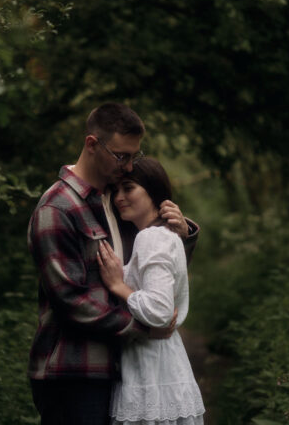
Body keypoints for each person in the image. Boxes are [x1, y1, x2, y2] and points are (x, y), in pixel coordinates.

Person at [27, 103, 199, 425]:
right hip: (73, 373)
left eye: (134, 155)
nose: (129, 165)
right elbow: (72, 301)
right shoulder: (57, 209)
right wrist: (145, 328)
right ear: (92, 145)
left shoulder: (116, 203)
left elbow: (154, 275)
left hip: (118, 369)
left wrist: (181, 234)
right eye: (122, 156)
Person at [96, 157, 206, 425]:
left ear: (154, 191)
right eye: (116, 190)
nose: (119, 197)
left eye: (129, 188)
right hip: (164, 361)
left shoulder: (151, 238)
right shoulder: (167, 235)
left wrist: (118, 286)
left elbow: (159, 310)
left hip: (151, 366)